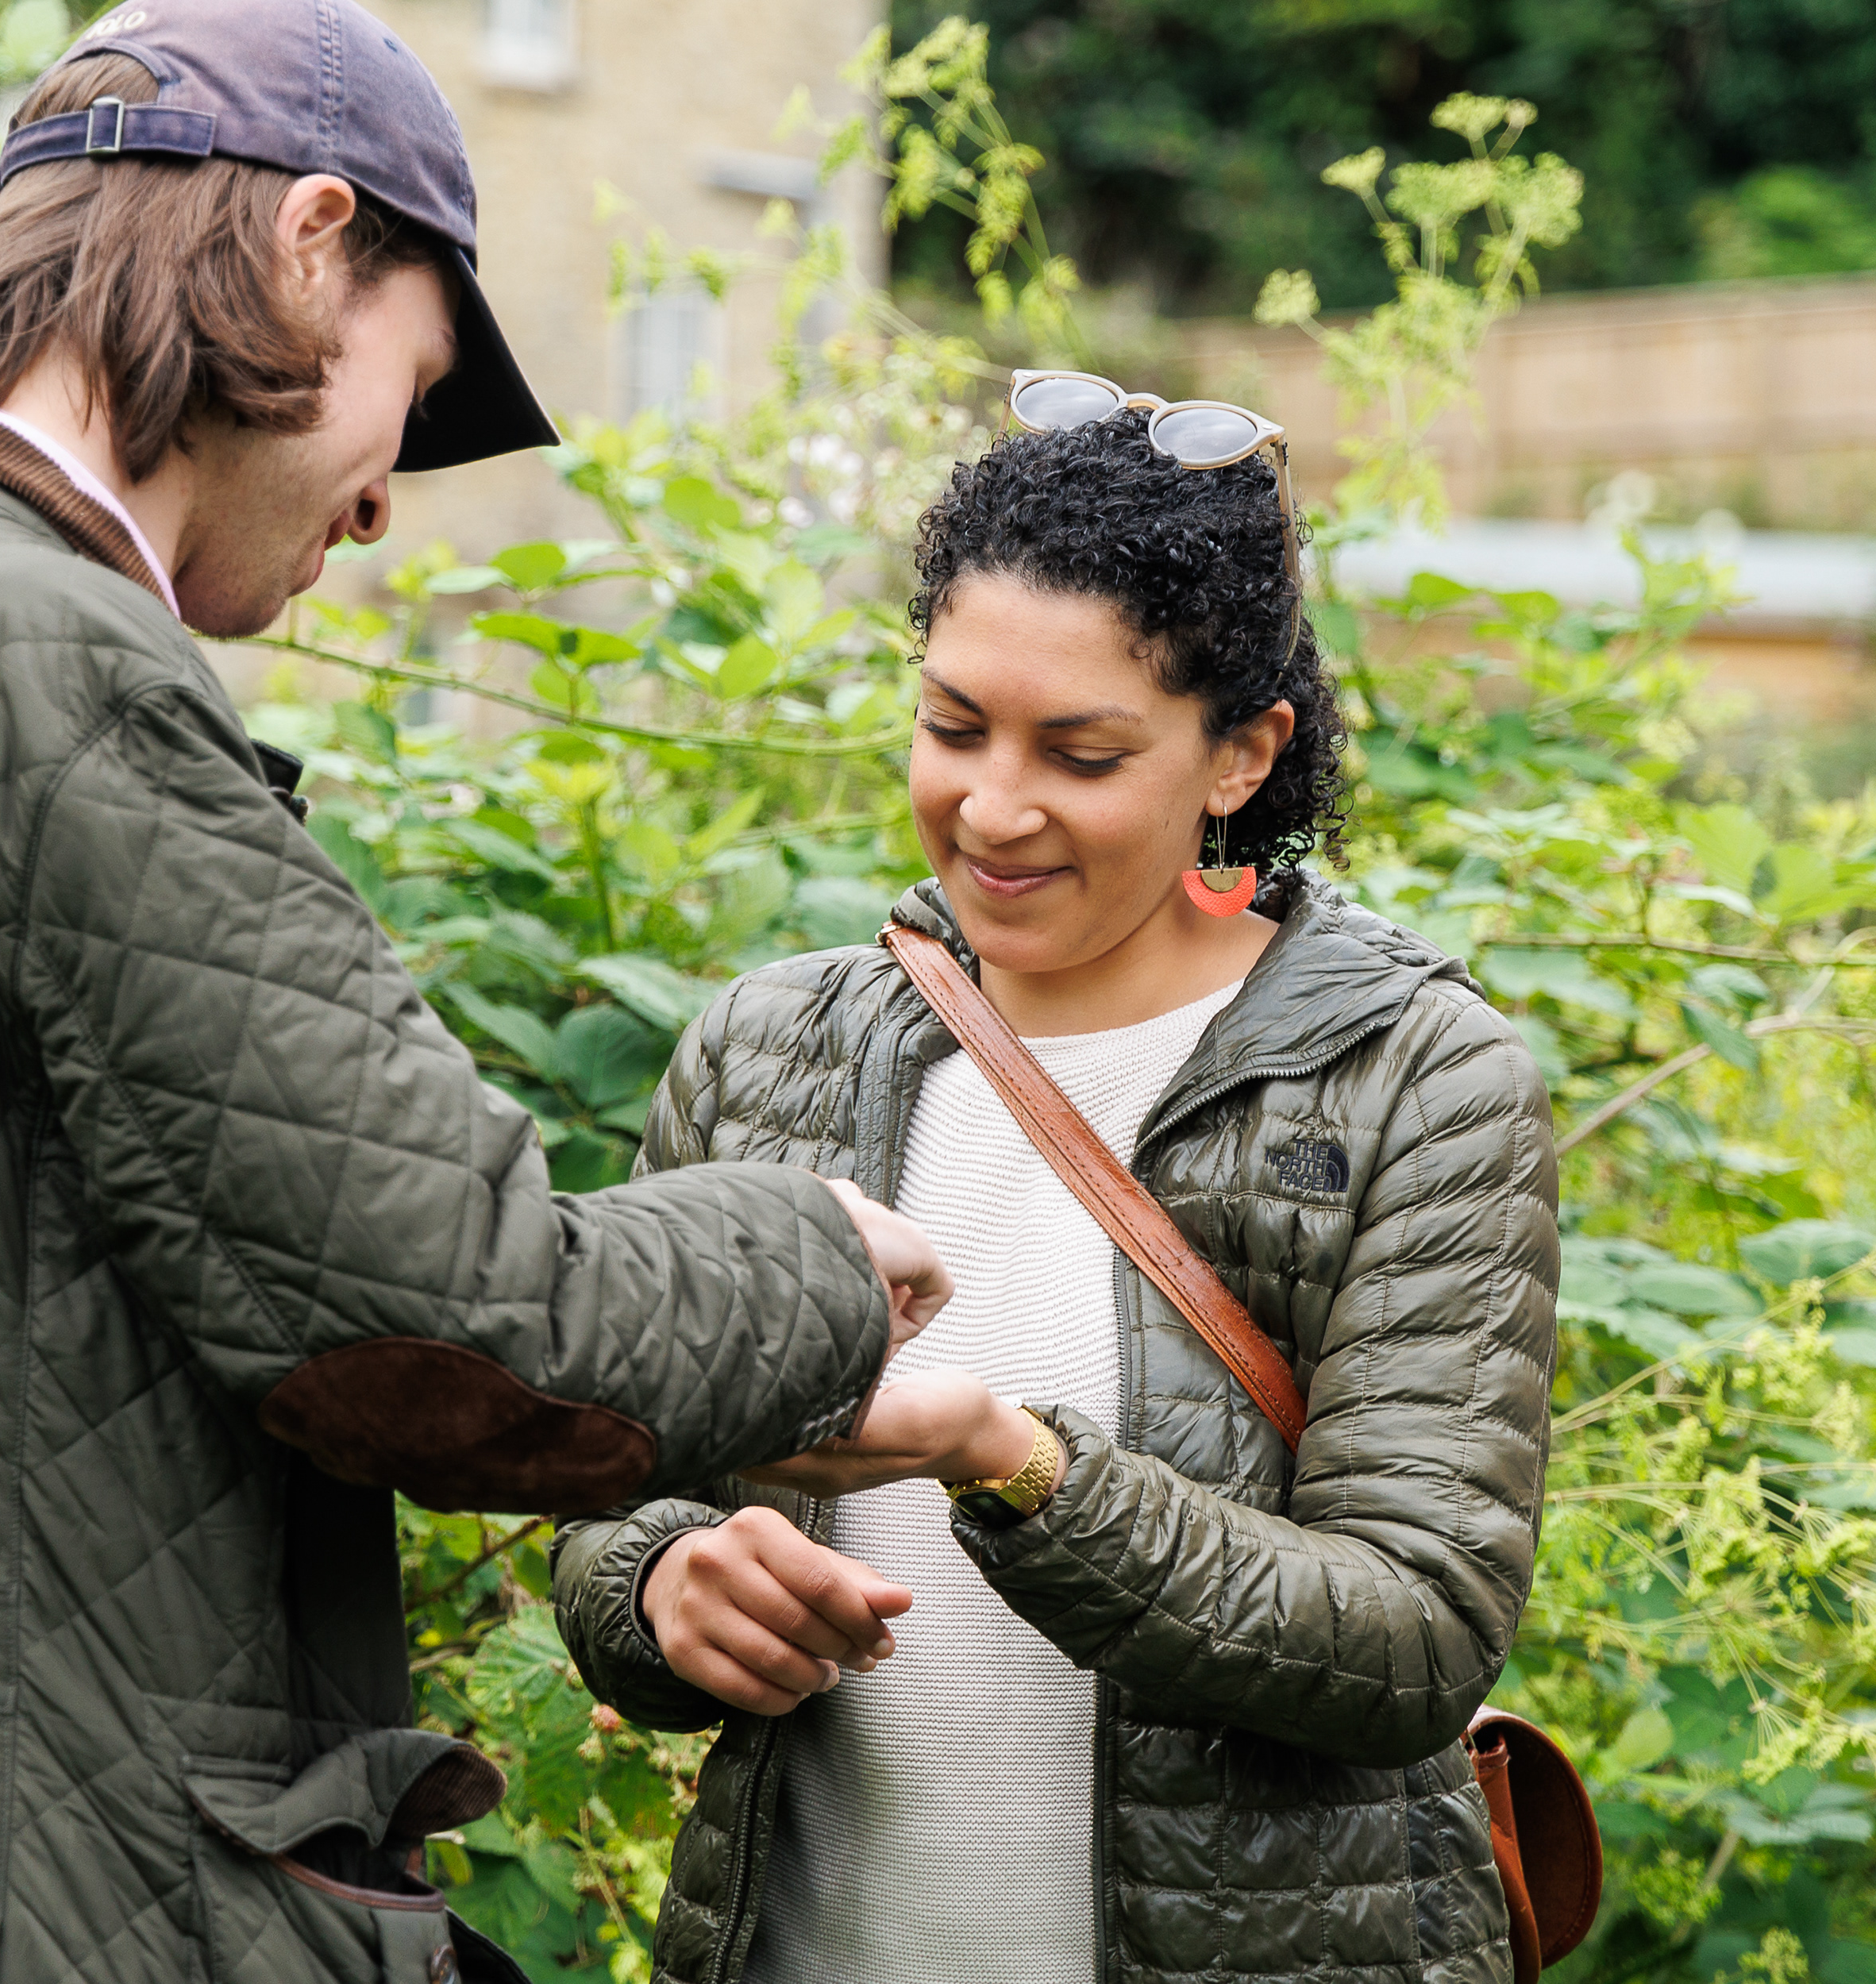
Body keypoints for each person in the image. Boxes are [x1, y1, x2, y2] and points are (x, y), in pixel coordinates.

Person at [0, 0, 953, 1984]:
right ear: (311, 242)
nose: (383, 500)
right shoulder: (60, 666)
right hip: (59, 1911)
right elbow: (439, 1324)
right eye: (416, 384)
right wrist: (809, 1257)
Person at [553, 392, 1562, 1984]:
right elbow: (613, 1489)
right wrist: (665, 1583)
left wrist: (1011, 1462)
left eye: (1080, 754)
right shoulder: (769, 1049)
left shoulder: (1412, 1082)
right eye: (954, 726)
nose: (993, 809)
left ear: (1242, 754)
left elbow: (1413, 1635)